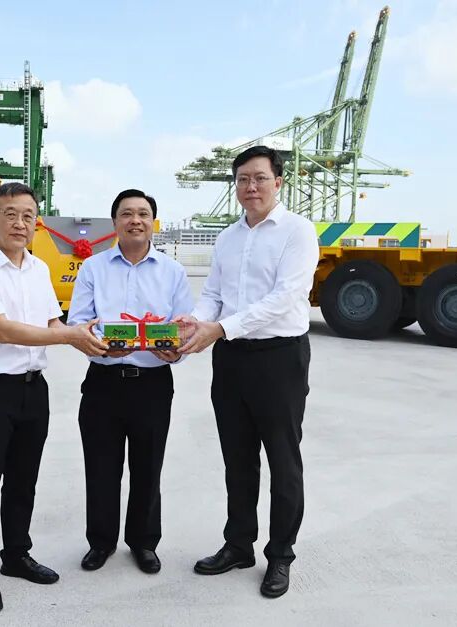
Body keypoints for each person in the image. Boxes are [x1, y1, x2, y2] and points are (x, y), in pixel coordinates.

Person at [0, 182, 108, 613]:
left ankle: (16, 555)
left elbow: (52, 323)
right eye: (10, 214)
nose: (20, 223)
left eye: (28, 216)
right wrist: (69, 337)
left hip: (32, 389)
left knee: (24, 481)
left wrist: (88, 337)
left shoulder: (38, 269)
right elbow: (3, 331)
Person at [175, 146, 320, 598]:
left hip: (279, 358)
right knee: (237, 458)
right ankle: (238, 545)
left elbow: (285, 297)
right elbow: (214, 294)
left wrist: (219, 328)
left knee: (282, 459)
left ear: (278, 182)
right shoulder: (228, 237)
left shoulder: (298, 231)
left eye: (259, 178)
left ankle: (281, 555)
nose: (250, 187)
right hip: (231, 358)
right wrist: (196, 321)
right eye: (242, 179)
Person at [67, 189, 193, 575]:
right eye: (126, 214)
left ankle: (144, 542)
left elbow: (184, 326)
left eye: (142, 214)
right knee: (101, 467)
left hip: (152, 384)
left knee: (147, 468)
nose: (135, 220)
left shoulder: (173, 271)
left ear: (153, 222)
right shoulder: (93, 268)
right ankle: (101, 542)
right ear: (115, 222)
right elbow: (78, 322)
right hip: (103, 381)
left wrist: (176, 351)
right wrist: (98, 346)